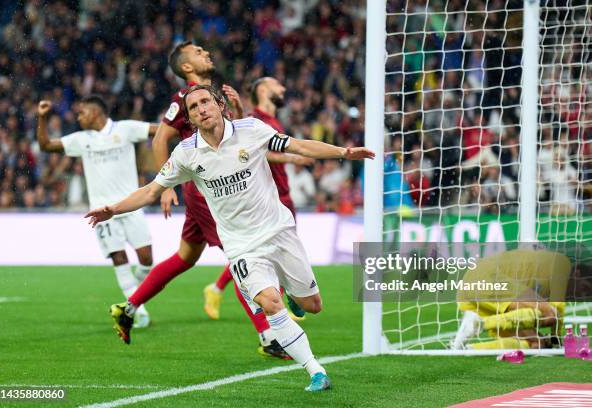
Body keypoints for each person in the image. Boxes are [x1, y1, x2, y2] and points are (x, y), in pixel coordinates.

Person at [86, 84, 375, 391]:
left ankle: (295, 295)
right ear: (190, 119)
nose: (201, 109)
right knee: (269, 302)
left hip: (278, 230)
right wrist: (113, 209)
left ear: (220, 104)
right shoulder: (185, 153)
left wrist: (343, 152)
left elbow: (297, 146)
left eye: (205, 102)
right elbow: (152, 190)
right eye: (193, 107)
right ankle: (315, 370)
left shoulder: (251, 130)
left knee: (313, 305)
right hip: (241, 246)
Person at [120, 43, 301, 359]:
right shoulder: (184, 99)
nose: (206, 52)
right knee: (242, 257)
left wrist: (240, 112)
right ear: (186, 67)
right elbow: (161, 138)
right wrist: (165, 187)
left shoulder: (212, 93)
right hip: (208, 190)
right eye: (198, 51)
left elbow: (237, 138)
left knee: (185, 257)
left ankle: (129, 306)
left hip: (208, 187)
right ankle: (268, 335)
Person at [203, 77, 314, 359]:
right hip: (263, 199)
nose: (284, 88)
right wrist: (292, 157)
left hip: (281, 193)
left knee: (277, 250)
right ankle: (220, 290)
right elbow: (251, 150)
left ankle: (288, 292)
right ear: (263, 89)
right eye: (278, 85)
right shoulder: (256, 119)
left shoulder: (268, 119)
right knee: (254, 251)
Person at [37, 96, 158, 328]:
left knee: (147, 260)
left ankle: (131, 301)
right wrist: (42, 118)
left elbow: (162, 129)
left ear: (95, 112)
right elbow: (45, 145)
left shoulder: (125, 129)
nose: (79, 117)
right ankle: (138, 311)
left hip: (131, 207)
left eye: (82, 113)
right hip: (102, 213)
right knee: (119, 258)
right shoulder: (82, 140)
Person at [451, 247, 592, 350]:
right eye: (585, 288)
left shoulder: (547, 288)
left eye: (585, 296)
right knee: (549, 312)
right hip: (484, 276)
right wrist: (556, 339)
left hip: (470, 297)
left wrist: (548, 340)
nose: (581, 295)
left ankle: (464, 348)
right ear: (577, 273)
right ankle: (480, 324)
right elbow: (556, 310)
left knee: (535, 343)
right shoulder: (563, 263)